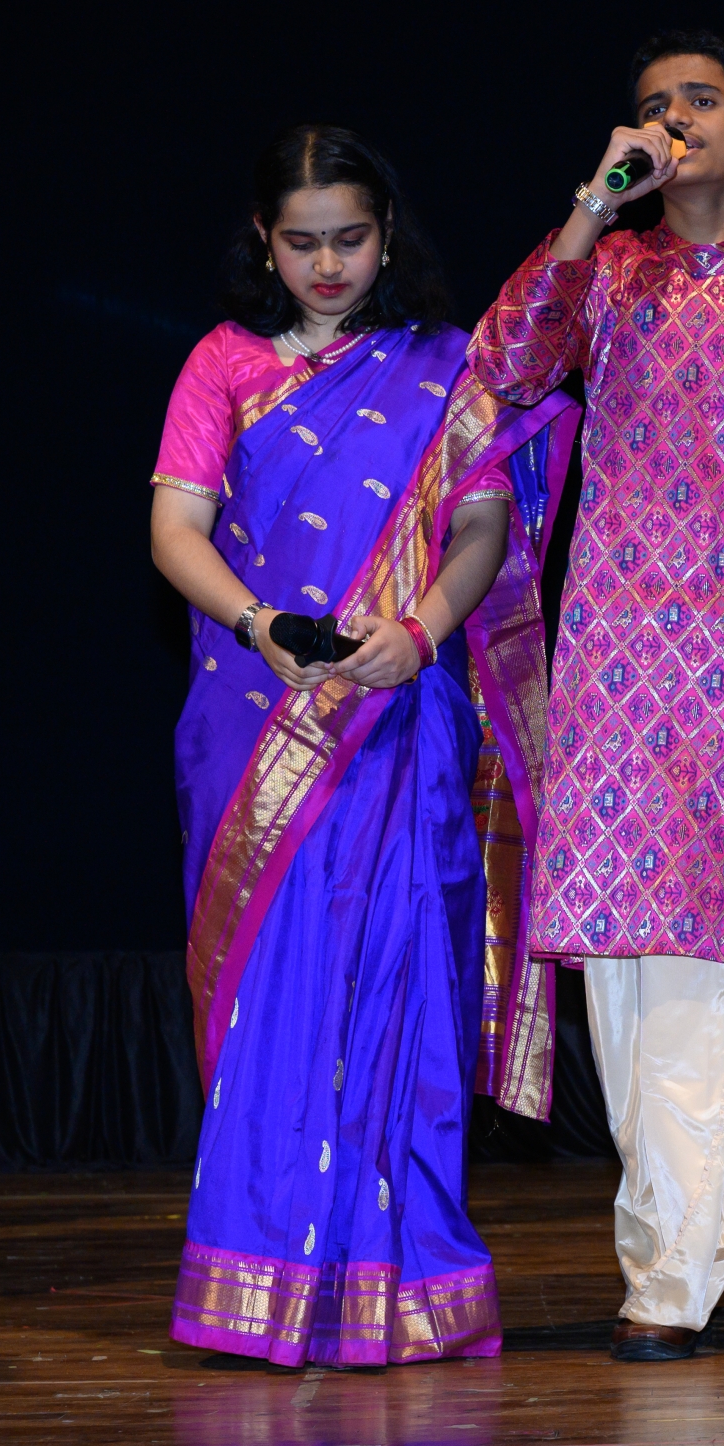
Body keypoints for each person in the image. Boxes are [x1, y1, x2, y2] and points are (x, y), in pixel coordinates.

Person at [468, 30, 724, 1362]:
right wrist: (589, 209)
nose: (674, 120)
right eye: (653, 106)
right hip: (622, 677)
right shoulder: (605, 274)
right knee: (643, 982)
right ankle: (665, 1271)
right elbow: (502, 368)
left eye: (699, 100)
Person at [150, 126, 576, 1367]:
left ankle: (405, 1275)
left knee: (400, 982)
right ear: (263, 242)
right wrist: (260, 622)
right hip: (255, 712)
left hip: (397, 717)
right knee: (273, 990)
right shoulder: (223, 364)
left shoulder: (445, 367)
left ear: (387, 235)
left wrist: (421, 630)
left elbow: (482, 527)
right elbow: (175, 530)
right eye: (302, 242)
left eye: (350, 238)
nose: (328, 264)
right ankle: (261, 1272)